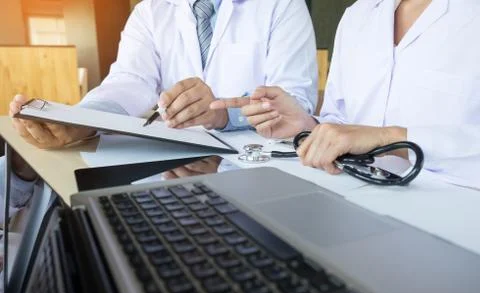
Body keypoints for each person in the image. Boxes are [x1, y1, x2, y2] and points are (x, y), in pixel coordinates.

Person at [2, 0, 317, 217]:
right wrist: (83, 119)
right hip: (168, 169)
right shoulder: (152, 11)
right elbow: (130, 80)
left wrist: (223, 114)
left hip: (247, 174)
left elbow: (296, 99)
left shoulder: (281, 5)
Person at [212, 0, 480, 185]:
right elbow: (342, 122)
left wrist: (390, 139)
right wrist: (308, 126)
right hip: (351, 202)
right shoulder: (358, 15)